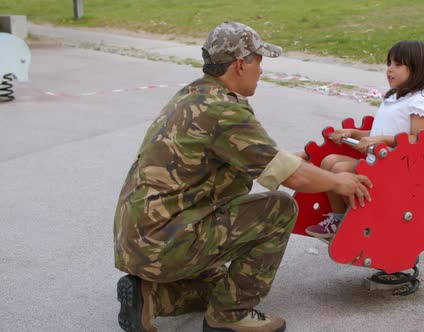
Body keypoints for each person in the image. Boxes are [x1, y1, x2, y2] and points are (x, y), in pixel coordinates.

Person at [113, 22, 372, 332]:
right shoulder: (226, 111)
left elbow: (242, 155)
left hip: (142, 240)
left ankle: (150, 297)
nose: (260, 70)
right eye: (258, 61)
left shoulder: (194, 96)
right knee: (280, 208)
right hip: (168, 242)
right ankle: (230, 316)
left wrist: (293, 159)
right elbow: (294, 179)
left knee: (219, 283)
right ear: (240, 64)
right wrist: (338, 182)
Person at [305, 40, 424, 239]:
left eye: (397, 65)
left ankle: (359, 222)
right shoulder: (394, 98)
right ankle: (339, 219)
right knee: (329, 161)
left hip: (394, 169)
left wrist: (381, 139)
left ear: (417, 69)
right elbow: (378, 132)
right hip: (376, 161)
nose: (389, 70)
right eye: (389, 63)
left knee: (340, 170)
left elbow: (416, 139)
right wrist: (354, 133)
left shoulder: (419, 101)